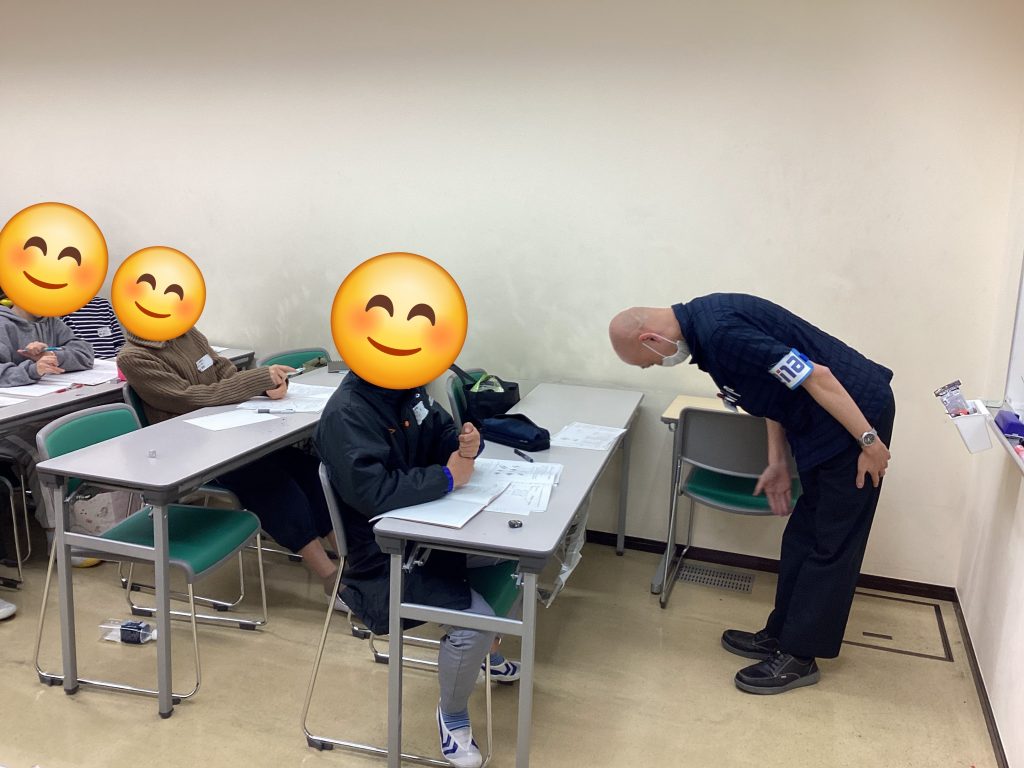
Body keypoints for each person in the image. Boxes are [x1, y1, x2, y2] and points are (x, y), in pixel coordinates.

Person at [609, 293, 895, 695]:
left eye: (650, 362)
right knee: (803, 535)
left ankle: (800, 656)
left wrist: (869, 441)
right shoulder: (704, 336)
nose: (656, 365)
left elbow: (816, 376)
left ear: (651, 339)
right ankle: (781, 634)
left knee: (832, 543)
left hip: (855, 418)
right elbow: (773, 393)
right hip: (823, 421)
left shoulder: (722, 333)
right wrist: (776, 462)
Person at [315, 371, 520, 768]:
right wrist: (446, 477)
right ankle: (453, 715)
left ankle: (486, 652)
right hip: (384, 555)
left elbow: (440, 433)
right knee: (473, 625)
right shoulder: (348, 413)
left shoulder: (405, 388)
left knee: (512, 557)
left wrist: (466, 444)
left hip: (429, 526)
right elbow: (373, 491)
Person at [116, 326, 342, 606]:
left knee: (308, 469)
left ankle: (351, 561)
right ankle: (330, 577)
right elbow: (188, 398)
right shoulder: (133, 356)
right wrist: (257, 380)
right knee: (270, 482)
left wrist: (265, 386)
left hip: (231, 432)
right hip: (191, 453)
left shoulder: (187, 333)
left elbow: (224, 372)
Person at [0, 297, 95, 530]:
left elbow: (85, 353)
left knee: (84, 435)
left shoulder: (51, 322)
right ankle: (58, 534)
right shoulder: (3, 325)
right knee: (42, 452)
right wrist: (32, 369)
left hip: (43, 414)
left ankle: (93, 521)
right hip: (10, 425)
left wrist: (54, 356)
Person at [61, 295, 125, 359]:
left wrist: (117, 360)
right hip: (81, 363)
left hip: (111, 362)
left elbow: (119, 343)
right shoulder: (61, 308)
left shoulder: (103, 304)